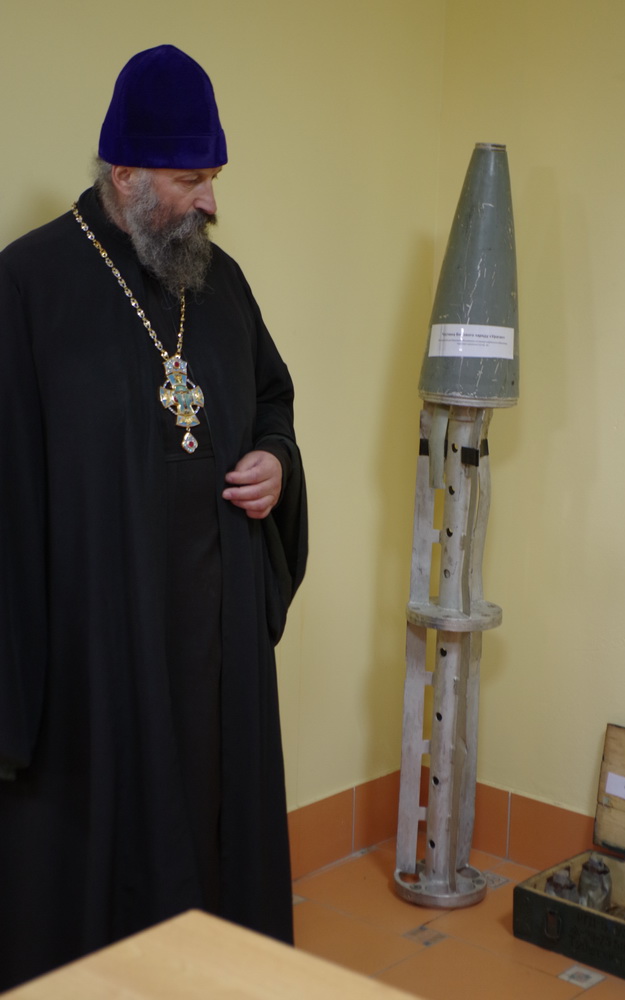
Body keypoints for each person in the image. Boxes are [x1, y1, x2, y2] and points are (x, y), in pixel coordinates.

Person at [0, 45, 307, 991]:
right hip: (97, 650)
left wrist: (275, 463)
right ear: (126, 172)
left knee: (214, 847)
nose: (210, 202)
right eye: (190, 181)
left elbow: (272, 401)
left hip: (216, 649)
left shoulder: (223, 283)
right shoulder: (27, 287)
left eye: (214, 178)